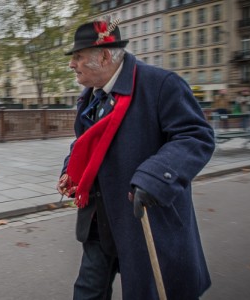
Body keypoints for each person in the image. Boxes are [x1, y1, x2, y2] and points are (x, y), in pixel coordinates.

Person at [57, 19, 215, 300]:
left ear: (104, 56)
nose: (72, 65)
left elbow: (195, 137)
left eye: (78, 57)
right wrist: (71, 168)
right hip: (99, 219)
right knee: (87, 291)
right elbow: (83, 143)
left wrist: (154, 176)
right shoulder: (90, 97)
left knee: (149, 291)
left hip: (143, 219)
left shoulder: (161, 85)